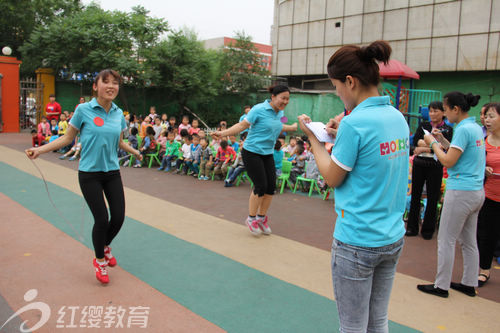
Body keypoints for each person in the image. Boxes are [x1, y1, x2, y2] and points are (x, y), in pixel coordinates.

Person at [299, 40, 408, 332]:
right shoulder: (397, 118)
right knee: (378, 320)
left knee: (352, 326)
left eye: (336, 86)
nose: (337, 93)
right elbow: (372, 158)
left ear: (350, 81)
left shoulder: (355, 123)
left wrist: (313, 138)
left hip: (357, 241)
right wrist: (338, 136)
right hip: (392, 236)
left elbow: (332, 178)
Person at [26, 69, 142, 284]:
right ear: (95, 86)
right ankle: (99, 260)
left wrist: (133, 151)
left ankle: (104, 246)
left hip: (112, 172)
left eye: (115, 83)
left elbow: (118, 141)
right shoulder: (83, 110)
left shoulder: (118, 113)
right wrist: (40, 150)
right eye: (105, 82)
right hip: (89, 174)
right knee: (101, 219)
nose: (111, 86)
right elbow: (67, 138)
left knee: (118, 217)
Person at [418, 92, 485, 298]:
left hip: (461, 191)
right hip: (475, 191)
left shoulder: (464, 129)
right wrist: (444, 141)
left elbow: (448, 161)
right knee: (469, 240)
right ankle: (468, 282)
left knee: (446, 239)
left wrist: (432, 142)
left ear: (455, 109)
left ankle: (442, 285)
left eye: (445, 110)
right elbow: (458, 153)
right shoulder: (473, 128)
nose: (444, 114)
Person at [211, 85, 297, 236]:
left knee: (271, 187)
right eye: (283, 98)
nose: (285, 101)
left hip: (267, 153)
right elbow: (242, 125)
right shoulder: (258, 109)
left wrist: (293, 127)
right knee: (260, 186)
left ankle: (261, 218)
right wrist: (222, 133)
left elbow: (277, 125)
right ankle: (251, 219)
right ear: (273, 97)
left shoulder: (280, 112)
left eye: (288, 99)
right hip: (251, 152)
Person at [406, 101, 453, 239]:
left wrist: (425, 145)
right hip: (419, 164)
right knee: (415, 195)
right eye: (431, 111)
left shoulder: (447, 129)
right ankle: (412, 228)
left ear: (443, 112)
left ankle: (428, 230)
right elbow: (416, 142)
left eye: (436, 111)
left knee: (433, 198)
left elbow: (444, 147)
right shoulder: (424, 125)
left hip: (435, 166)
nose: (432, 114)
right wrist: (433, 145)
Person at [476, 103, 500, 287]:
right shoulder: (483, 139)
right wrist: (482, 168)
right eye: (486, 116)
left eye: (491, 116)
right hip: (488, 195)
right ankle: (484, 270)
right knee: (486, 235)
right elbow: (473, 161)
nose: (487, 120)